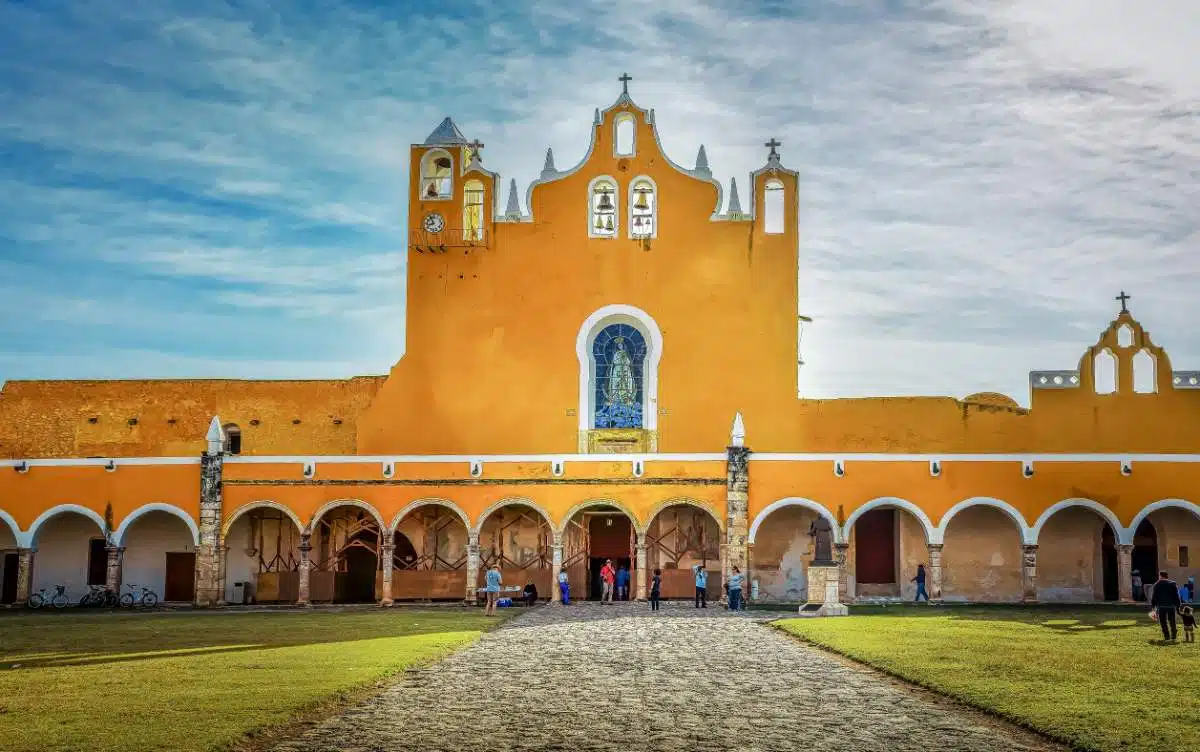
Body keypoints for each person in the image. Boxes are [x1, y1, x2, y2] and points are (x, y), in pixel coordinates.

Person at [1150, 569, 1181, 642]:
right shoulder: (1173, 583)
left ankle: (1167, 636)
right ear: (1167, 576)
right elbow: (1176, 596)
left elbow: (1154, 597)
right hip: (1171, 606)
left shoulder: (1157, 584)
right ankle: (1173, 635)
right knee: (1172, 621)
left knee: (1163, 622)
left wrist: (1153, 606)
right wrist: (1178, 605)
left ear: (1160, 576)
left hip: (1161, 606)